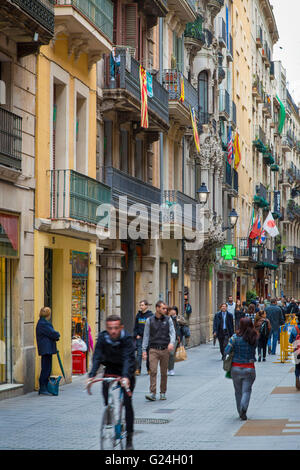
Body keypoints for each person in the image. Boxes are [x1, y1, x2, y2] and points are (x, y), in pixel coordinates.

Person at [86, 315, 136, 450]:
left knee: (127, 402)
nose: (113, 331)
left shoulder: (126, 338)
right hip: (111, 367)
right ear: (106, 328)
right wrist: (91, 376)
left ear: (121, 327)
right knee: (105, 387)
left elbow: (127, 358)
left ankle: (129, 438)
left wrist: (126, 377)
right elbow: (97, 357)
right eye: (110, 328)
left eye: (115, 328)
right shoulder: (103, 338)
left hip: (127, 369)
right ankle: (108, 409)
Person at [224, 317, 258, 421]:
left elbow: (226, 351)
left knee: (238, 391)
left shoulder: (234, 337)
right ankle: (244, 407)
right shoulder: (254, 337)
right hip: (249, 367)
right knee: (247, 391)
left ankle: (240, 411)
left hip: (236, 368)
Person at [142, 300, 175, 401]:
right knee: (153, 371)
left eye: (166, 308)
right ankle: (152, 393)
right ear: (157, 308)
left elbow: (172, 332)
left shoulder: (168, 319)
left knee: (164, 373)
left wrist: (171, 343)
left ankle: (163, 392)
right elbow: (146, 335)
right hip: (153, 350)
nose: (165, 310)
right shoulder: (149, 320)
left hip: (165, 349)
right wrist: (144, 350)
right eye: (163, 308)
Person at [36, 307, 60, 396]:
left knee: (47, 368)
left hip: (46, 349)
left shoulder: (42, 323)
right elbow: (53, 333)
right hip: (46, 349)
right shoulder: (44, 323)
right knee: (46, 368)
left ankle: (45, 387)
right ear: (48, 315)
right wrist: (57, 334)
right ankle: (43, 387)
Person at [133, 300, 153, 375]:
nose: (141, 307)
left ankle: (149, 369)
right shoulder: (138, 315)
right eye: (140, 305)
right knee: (139, 354)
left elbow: (153, 327)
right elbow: (135, 326)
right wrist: (136, 335)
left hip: (148, 338)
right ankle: (138, 369)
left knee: (148, 353)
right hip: (140, 337)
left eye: (142, 305)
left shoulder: (150, 315)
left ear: (146, 306)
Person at [167, 306, 181, 376]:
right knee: (167, 354)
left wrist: (178, 336)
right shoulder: (166, 319)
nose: (173, 311)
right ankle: (167, 368)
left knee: (172, 354)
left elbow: (177, 328)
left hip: (174, 338)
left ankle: (171, 369)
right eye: (172, 310)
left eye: (174, 310)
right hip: (166, 339)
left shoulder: (174, 318)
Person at [288, 322, 300, 390]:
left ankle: (297, 378)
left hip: (297, 350)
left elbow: (290, 340)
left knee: (297, 366)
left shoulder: (294, 328)